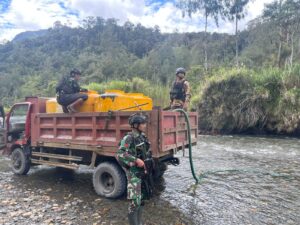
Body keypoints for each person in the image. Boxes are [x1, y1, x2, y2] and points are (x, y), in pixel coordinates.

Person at [116, 114, 153, 225]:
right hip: (133, 173)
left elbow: (146, 153)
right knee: (135, 201)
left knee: (142, 199)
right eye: (142, 123)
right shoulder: (129, 138)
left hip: (143, 172)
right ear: (135, 125)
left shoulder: (142, 137)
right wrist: (136, 160)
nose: (145, 125)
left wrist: (147, 166)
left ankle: (139, 223)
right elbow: (121, 153)